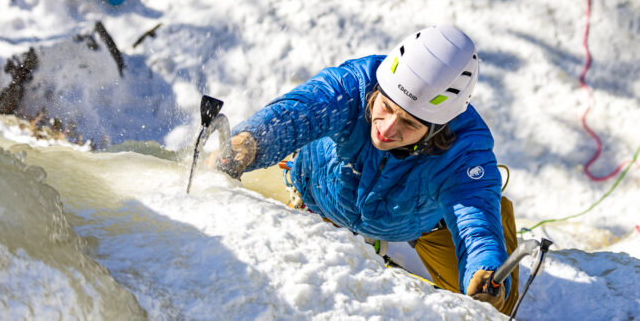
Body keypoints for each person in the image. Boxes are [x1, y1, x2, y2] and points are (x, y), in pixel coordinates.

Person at [211, 25, 519, 314]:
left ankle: (497, 217)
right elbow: (297, 113)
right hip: (318, 196)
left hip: (419, 222)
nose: (386, 129)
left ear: (439, 127)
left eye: (409, 123)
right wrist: (249, 143)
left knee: (496, 304)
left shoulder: (466, 151)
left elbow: (474, 224)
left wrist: (486, 268)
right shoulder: (355, 84)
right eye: (385, 107)